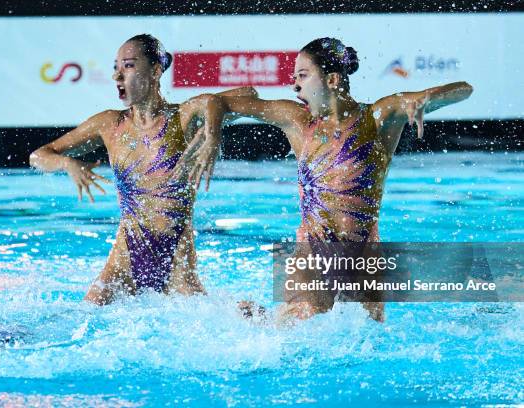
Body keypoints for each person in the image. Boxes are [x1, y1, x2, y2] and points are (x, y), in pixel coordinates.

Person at [184, 37, 473, 322]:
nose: (295, 85)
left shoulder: (377, 117)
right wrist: (212, 132)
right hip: (312, 248)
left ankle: (258, 317)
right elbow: (215, 102)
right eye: (294, 77)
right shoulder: (297, 121)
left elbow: (464, 90)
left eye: (303, 75)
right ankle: (258, 319)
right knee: (292, 336)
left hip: (363, 253)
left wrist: (424, 99)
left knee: (367, 342)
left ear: (332, 80)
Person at [30, 34, 252, 305]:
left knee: (225, 320)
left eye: (128, 66)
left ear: (156, 71)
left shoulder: (183, 118)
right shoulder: (110, 124)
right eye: (116, 67)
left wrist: (212, 132)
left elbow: (247, 94)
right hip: (124, 259)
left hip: (176, 262)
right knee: (82, 317)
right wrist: (68, 163)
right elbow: (38, 156)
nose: (117, 76)